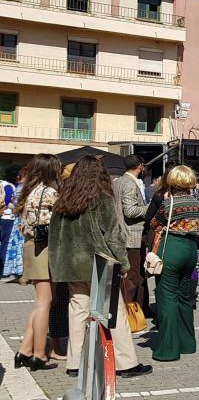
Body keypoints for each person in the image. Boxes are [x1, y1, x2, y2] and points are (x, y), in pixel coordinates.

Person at [50, 156, 152, 378]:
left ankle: (75, 363)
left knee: (77, 311)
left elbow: (55, 237)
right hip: (99, 262)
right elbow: (114, 235)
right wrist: (124, 263)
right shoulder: (101, 199)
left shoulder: (63, 200)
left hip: (71, 264)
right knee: (114, 311)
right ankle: (126, 363)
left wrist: (57, 266)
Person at [148, 165, 199, 362]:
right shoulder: (195, 201)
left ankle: (168, 349)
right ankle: (187, 342)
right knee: (184, 297)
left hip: (172, 246)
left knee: (167, 297)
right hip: (190, 250)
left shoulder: (169, 203)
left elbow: (153, 223)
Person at [13, 154, 61, 371]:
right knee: (44, 302)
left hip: (32, 245)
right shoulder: (49, 192)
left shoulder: (30, 191)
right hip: (44, 247)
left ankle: (25, 350)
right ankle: (39, 355)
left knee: (42, 300)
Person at [113, 155, 150, 319]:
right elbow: (130, 211)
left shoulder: (119, 181)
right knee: (133, 276)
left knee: (136, 274)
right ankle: (130, 313)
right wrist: (149, 208)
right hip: (131, 235)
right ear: (140, 166)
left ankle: (141, 308)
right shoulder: (128, 183)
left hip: (125, 234)